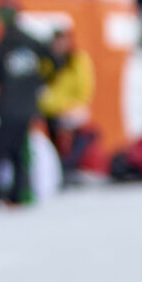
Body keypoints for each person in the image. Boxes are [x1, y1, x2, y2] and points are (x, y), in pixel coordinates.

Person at [0, 1, 44, 203]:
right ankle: (21, 191)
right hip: (27, 107)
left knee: (0, 151)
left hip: (7, 107)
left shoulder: (1, 46)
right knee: (21, 152)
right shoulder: (32, 42)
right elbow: (51, 60)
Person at [36, 19, 93, 179]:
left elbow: (84, 87)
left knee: (68, 129)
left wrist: (71, 105)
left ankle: (70, 164)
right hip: (49, 108)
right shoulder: (47, 61)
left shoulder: (76, 61)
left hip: (69, 108)